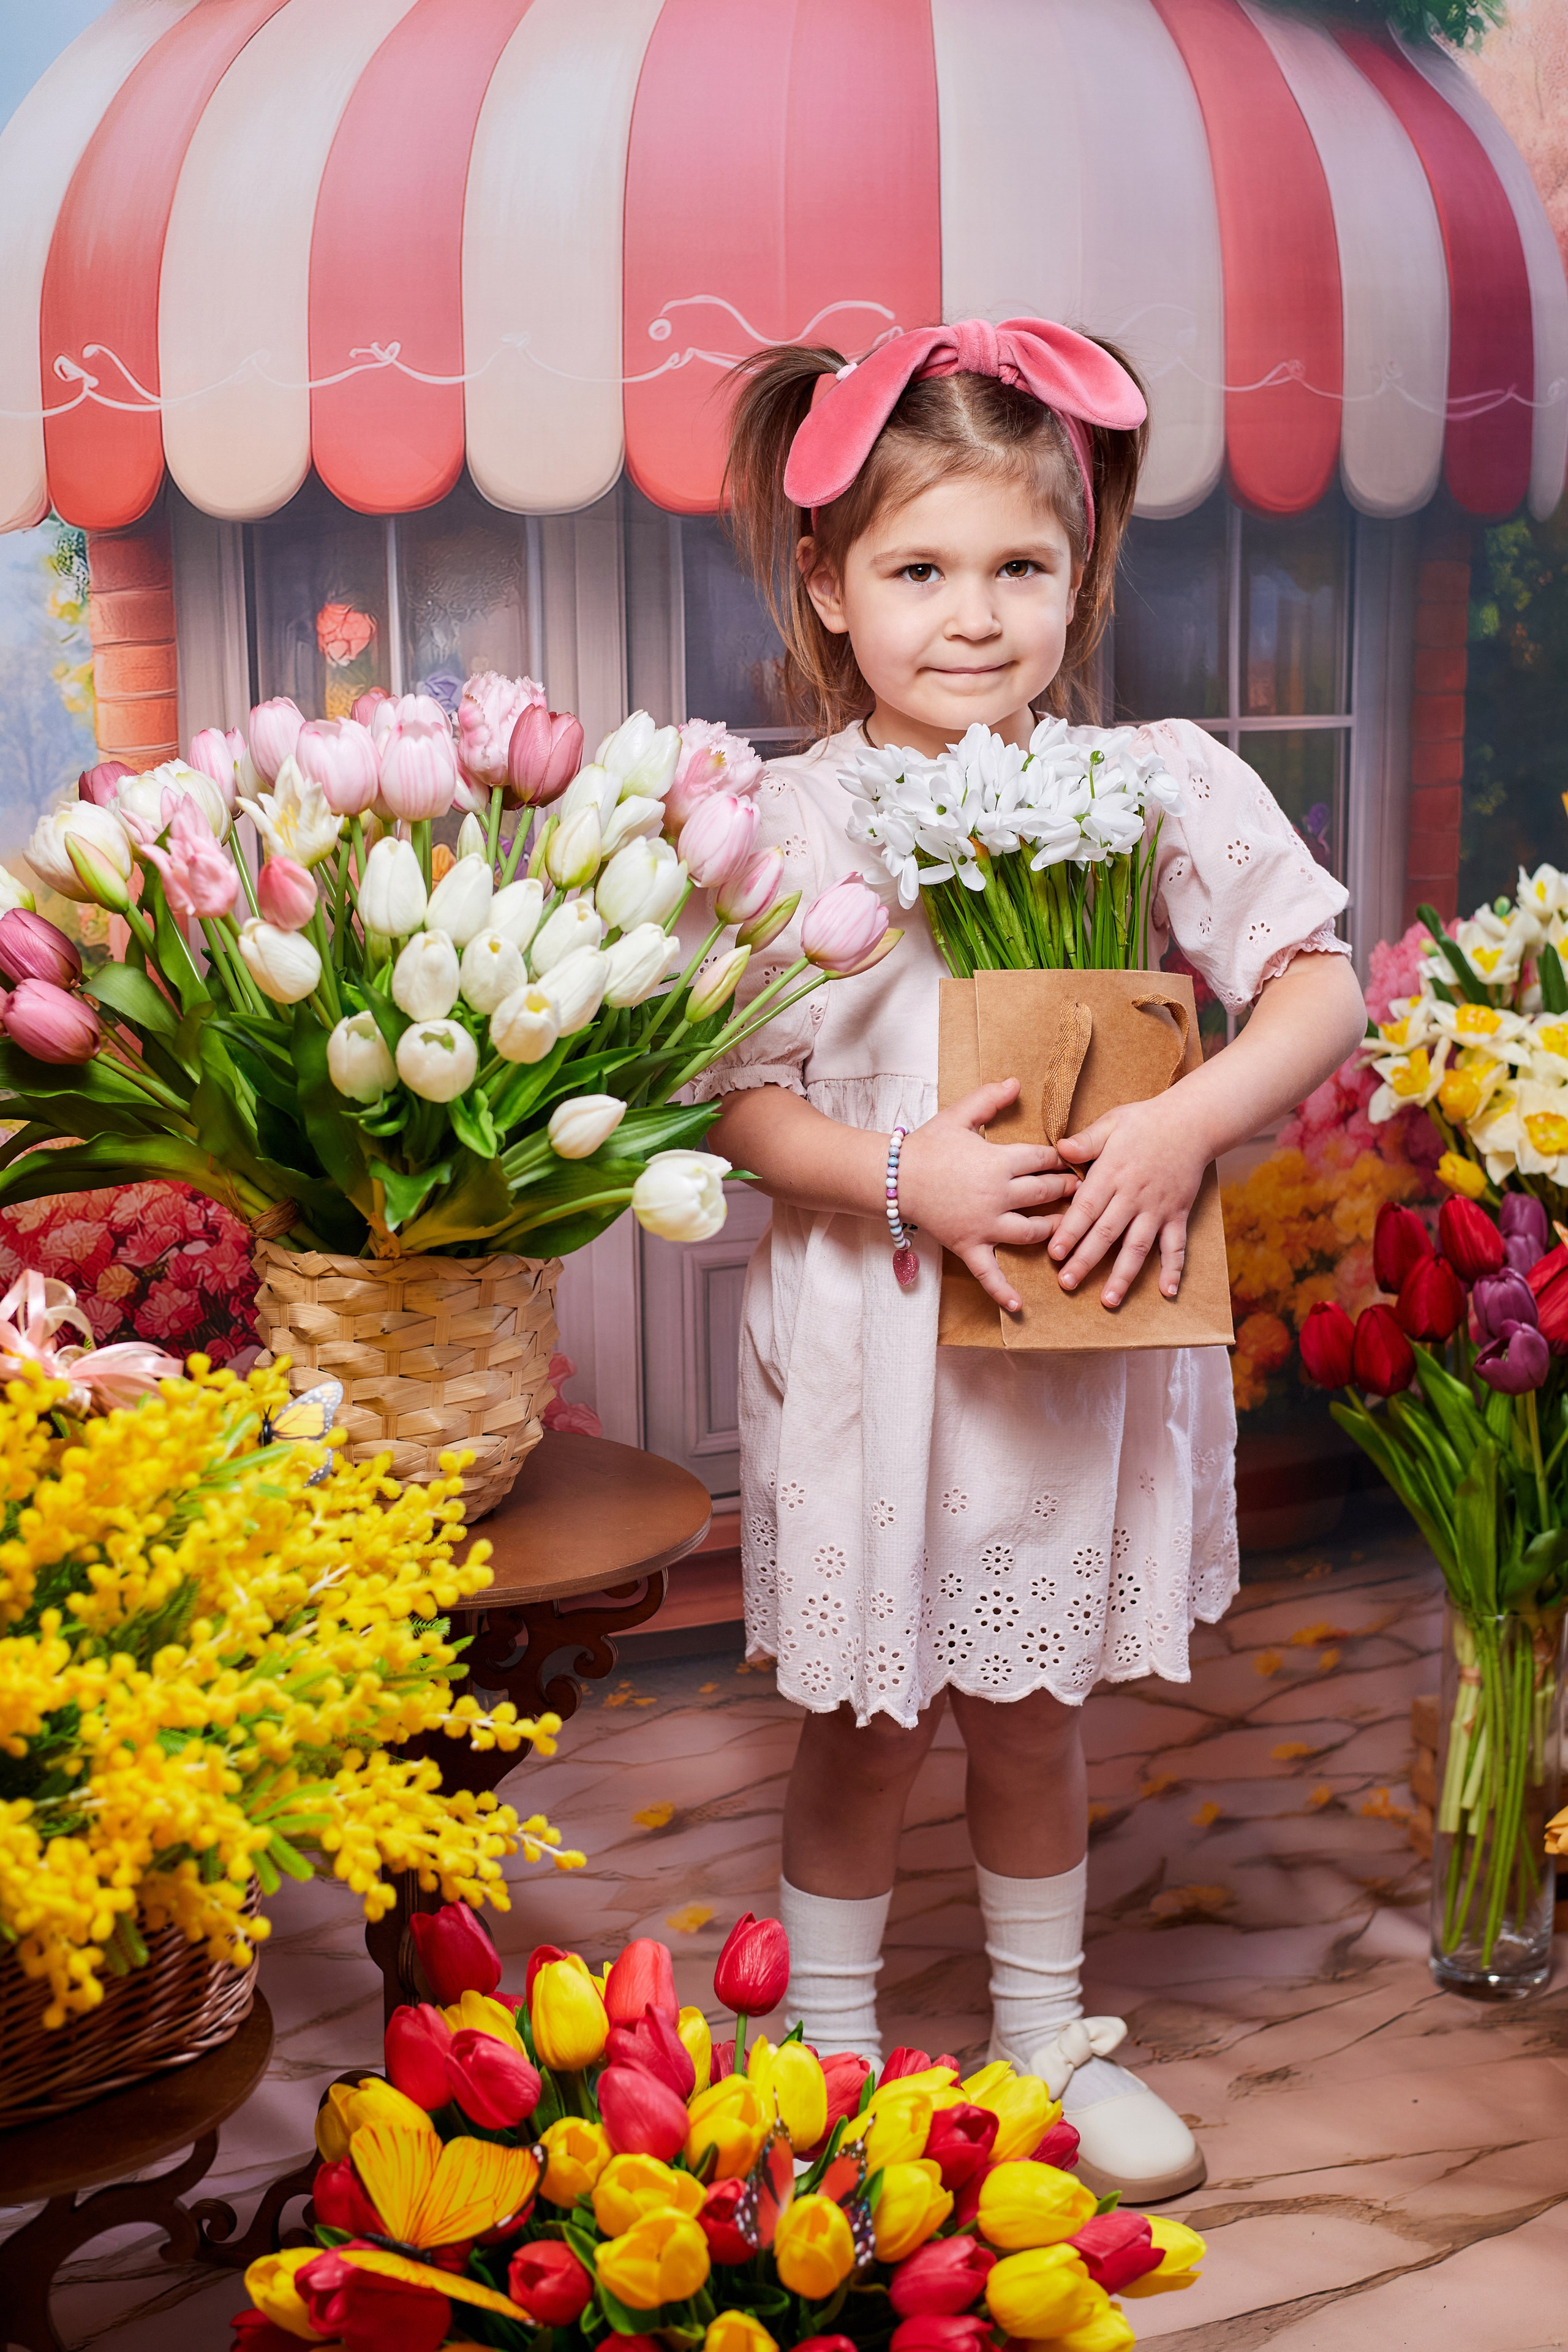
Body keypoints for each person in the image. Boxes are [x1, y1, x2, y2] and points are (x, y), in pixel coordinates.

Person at [692, 319, 1366, 2199]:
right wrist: (899, 1172)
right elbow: (735, 1103)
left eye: (1019, 566)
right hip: (876, 1322)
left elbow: (1316, 987)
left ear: (1083, 572)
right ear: (828, 584)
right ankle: (829, 2060)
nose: (971, 617)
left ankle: (1045, 2034)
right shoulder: (791, 820)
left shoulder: (1148, 777)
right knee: (857, 1716)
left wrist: (1180, 1122)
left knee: (1031, 1705)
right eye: (918, 570)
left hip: (1063, 1331)